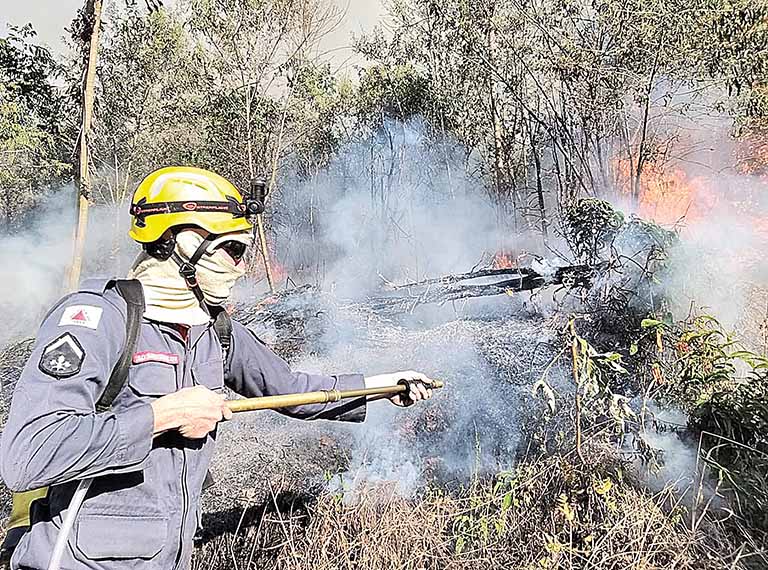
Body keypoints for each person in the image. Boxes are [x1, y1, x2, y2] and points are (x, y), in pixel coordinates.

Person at [0, 166, 434, 570]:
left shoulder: (215, 329)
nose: (243, 266)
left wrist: (382, 386)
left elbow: (292, 388)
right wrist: (164, 415)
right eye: (232, 249)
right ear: (178, 242)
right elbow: (28, 456)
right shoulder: (97, 319)